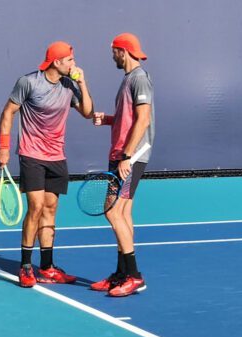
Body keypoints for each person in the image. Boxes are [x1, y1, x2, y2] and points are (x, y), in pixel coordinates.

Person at [0, 41, 94, 288]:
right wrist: (4, 147)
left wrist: (82, 82)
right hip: (31, 154)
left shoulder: (69, 84)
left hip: (56, 156)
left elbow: (87, 112)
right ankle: (26, 266)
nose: (74, 63)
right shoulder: (28, 82)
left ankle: (48, 267)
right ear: (57, 62)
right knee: (36, 207)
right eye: (70, 60)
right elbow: (8, 112)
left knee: (51, 208)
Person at [91, 33, 154, 297]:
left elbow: (143, 119)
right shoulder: (128, 79)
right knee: (123, 214)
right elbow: (128, 119)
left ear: (123, 52)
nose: (112, 56)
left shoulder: (139, 78)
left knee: (112, 212)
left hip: (129, 156)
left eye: (114, 51)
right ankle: (121, 274)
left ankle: (134, 275)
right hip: (122, 153)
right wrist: (108, 120)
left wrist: (127, 156)